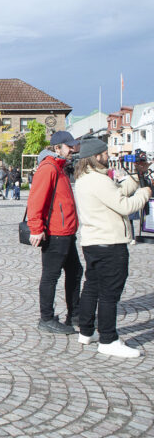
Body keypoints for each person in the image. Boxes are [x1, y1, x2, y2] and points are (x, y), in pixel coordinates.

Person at [73, 139, 152, 357]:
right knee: (109, 293)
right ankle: (108, 339)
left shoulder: (85, 178)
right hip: (110, 243)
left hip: (93, 242)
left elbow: (116, 191)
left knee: (92, 286)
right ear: (96, 156)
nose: (108, 156)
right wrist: (145, 193)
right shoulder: (99, 181)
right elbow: (125, 205)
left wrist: (136, 177)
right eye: (105, 153)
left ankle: (86, 331)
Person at [28, 131, 82, 335]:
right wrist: (36, 228)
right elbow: (36, 199)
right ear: (57, 148)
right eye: (69, 147)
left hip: (66, 231)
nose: (73, 149)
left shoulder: (60, 167)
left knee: (76, 272)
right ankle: (47, 318)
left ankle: (75, 313)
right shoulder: (48, 168)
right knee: (51, 276)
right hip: (55, 232)